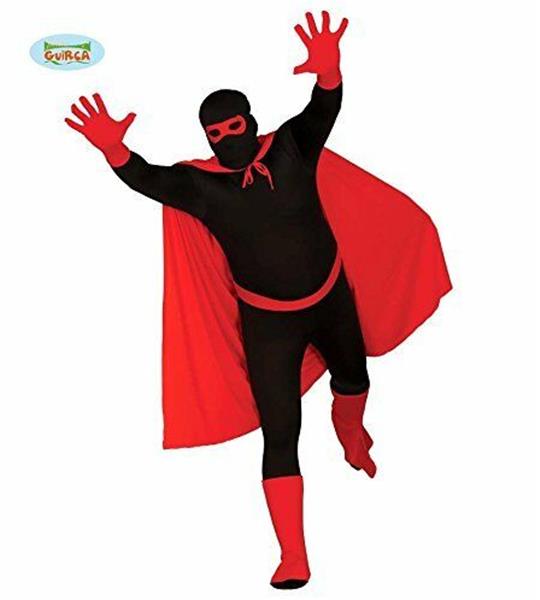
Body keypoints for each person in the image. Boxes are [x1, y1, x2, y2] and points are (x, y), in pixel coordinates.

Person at [66, 10, 451, 589]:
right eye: (215, 135)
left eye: (234, 126)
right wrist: (115, 152)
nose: (227, 139)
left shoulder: (292, 148)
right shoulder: (202, 186)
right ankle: (293, 554)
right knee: (281, 435)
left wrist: (329, 72)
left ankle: (350, 432)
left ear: (251, 120)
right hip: (268, 325)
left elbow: (323, 109)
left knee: (355, 377)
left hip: (330, 300)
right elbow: (151, 180)